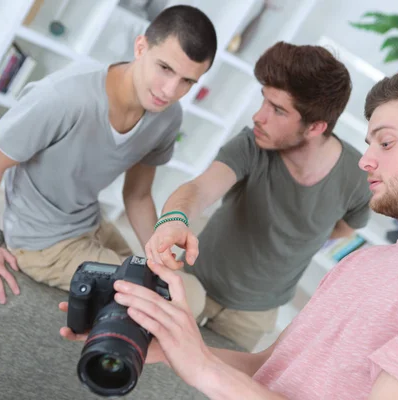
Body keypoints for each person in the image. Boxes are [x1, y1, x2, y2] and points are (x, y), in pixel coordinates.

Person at [61, 69, 398, 399]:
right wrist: (167, 346)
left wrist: (203, 368)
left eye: (386, 141)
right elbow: (270, 371)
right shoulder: (365, 262)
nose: (365, 160)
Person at [0, 5, 217, 306]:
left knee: (176, 285)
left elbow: (137, 195)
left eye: (187, 81)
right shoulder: (65, 97)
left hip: (91, 223)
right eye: (165, 68)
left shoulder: (167, 117)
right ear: (140, 47)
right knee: (185, 298)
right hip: (42, 243)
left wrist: (159, 250)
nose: (170, 90)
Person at [144, 41, 372, 350]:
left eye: (277, 110)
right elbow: (200, 189)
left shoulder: (357, 178)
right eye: (264, 101)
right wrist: (173, 219)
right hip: (196, 281)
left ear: (315, 127)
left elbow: (344, 229)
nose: (258, 117)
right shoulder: (252, 144)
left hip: (255, 315)